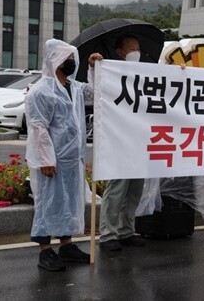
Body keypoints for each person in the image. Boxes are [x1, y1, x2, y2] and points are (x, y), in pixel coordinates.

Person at [25, 39, 102, 271]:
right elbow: (38, 127)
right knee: (48, 204)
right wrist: (46, 159)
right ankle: (45, 251)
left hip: (73, 160)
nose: (71, 63)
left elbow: (96, 93)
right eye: (66, 59)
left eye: (72, 59)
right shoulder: (41, 91)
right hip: (53, 159)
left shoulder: (74, 87)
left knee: (68, 202)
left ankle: (66, 246)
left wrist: (92, 68)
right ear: (53, 60)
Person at [99, 35, 147, 251]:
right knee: (117, 188)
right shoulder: (111, 72)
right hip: (118, 139)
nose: (136, 51)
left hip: (139, 140)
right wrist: (95, 67)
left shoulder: (145, 73)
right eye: (131, 48)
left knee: (135, 190)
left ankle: (126, 230)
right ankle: (108, 234)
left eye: (138, 47)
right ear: (120, 52)